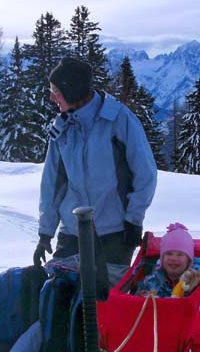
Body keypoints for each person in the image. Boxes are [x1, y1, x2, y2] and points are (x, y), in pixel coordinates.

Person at [33, 56, 158, 292]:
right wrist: (45, 233)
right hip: (72, 232)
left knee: (105, 308)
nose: (51, 97)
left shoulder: (118, 120)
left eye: (56, 91)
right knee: (60, 299)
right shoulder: (62, 128)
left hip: (113, 233)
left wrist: (134, 219)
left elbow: (145, 174)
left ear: (72, 90)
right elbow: (52, 184)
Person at [135, 223, 200, 298]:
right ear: (162, 258)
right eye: (169, 254)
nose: (174, 258)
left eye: (180, 254)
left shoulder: (199, 280)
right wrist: (142, 295)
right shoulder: (153, 280)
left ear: (189, 260)